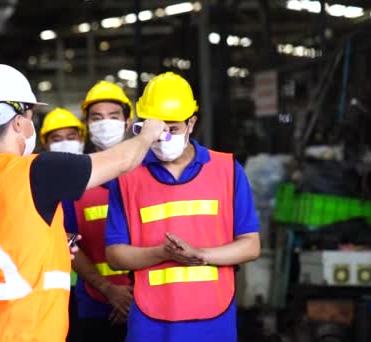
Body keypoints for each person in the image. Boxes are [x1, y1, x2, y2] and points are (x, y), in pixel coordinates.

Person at [0, 64, 165, 342]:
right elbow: (123, 161)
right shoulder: (38, 170)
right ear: (17, 122)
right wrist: (147, 134)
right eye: (30, 115)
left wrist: (47, 252)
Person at [105, 72, 261, 342]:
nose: (164, 138)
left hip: (214, 316)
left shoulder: (227, 170)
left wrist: (199, 254)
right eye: (156, 129)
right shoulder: (127, 178)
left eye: (173, 128)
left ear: (192, 123)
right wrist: (163, 253)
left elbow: (250, 245)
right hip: (149, 319)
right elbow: (115, 255)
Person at [61, 81, 134, 342]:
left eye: (113, 117)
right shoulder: (73, 178)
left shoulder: (149, 173)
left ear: (128, 122)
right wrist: (109, 290)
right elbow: (67, 240)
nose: (105, 123)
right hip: (93, 303)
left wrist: (133, 297)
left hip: (146, 302)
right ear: (88, 126)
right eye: (97, 118)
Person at [39, 107, 86, 342]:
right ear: (45, 144)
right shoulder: (39, 182)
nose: (65, 143)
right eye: (57, 139)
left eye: (70, 137)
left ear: (81, 139)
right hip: (55, 285)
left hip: (87, 288)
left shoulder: (95, 178)